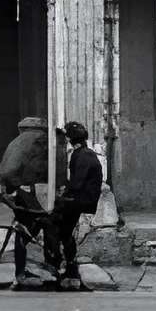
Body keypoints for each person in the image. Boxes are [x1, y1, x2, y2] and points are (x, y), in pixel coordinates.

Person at [0, 114, 65, 288]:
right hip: (29, 193)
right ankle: (35, 270)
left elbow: (5, 172)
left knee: (30, 228)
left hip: (19, 192)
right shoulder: (36, 141)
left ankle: (32, 269)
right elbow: (10, 171)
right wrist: (24, 186)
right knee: (43, 226)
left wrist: (11, 189)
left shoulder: (17, 141)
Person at [54, 119, 104, 290]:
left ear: (70, 139)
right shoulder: (85, 152)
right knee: (64, 230)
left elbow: (77, 183)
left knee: (61, 228)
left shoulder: (81, 155)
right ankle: (68, 266)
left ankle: (69, 269)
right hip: (84, 198)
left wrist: (63, 195)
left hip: (82, 200)